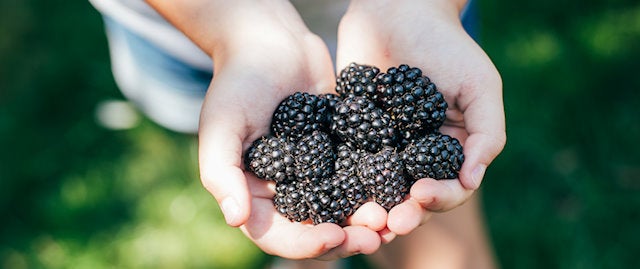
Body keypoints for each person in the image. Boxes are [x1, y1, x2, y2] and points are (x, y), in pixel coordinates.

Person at [90, 0, 506, 268]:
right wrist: (236, 34)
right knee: (222, 131)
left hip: (398, 20)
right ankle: (313, 260)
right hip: (178, 27)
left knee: (437, 244)